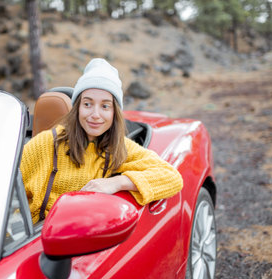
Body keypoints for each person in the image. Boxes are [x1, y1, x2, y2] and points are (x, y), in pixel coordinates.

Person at [20, 58, 183, 223]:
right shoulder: (47, 143)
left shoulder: (118, 148)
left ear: (114, 113)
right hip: (34, 237)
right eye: (88, 104)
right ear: (77, 108)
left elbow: (172, 177)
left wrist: (117, 182)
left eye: (105, 106)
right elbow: (0, 182)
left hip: (84, 235)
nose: (95, 114)